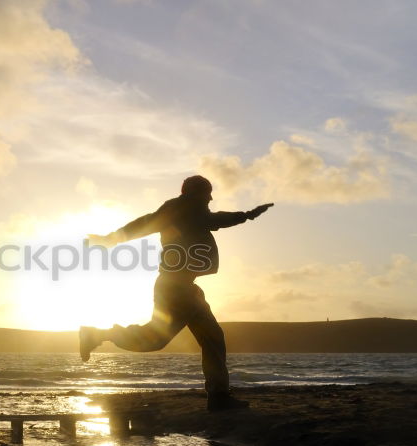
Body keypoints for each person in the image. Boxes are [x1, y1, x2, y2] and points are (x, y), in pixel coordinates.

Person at [79, 175, 272, 412]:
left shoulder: (187, 209)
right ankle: (97, 335)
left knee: (212, 339)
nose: (211, 198)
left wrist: (110, 240)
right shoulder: (186, 208)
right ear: (197, 193)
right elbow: (149, 223)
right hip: (176, 288)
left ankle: (219, 398)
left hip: (184, 287)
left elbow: (205, 220)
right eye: (208, 193)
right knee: (157, 339)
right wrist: (246, 215)